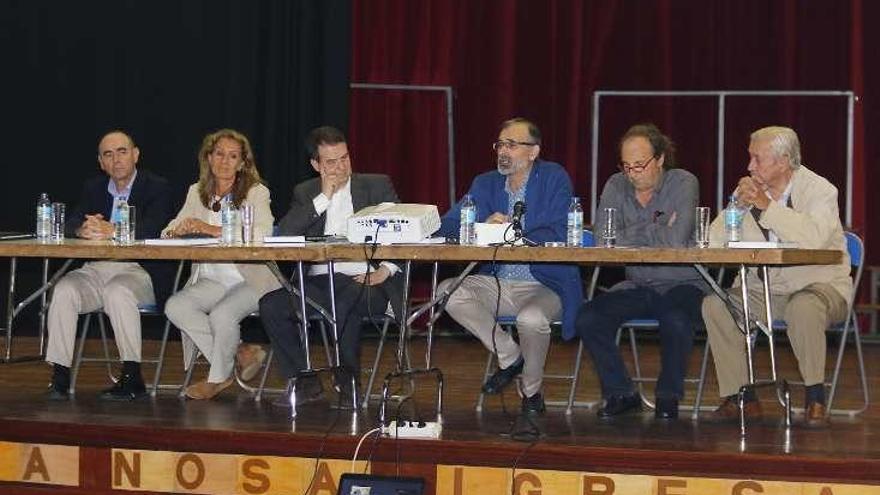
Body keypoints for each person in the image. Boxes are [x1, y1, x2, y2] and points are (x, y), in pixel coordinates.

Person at [702, 126, 852, 426]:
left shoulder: (820, 190)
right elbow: (713, 242)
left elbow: (814, 239)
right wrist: (737, 206)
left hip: (819, 288)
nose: (749, 167)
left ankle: (815, 396)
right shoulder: (747, 192)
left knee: (803, 307)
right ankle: (741, 397)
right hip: (764, 292)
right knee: (716, 305)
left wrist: (767, 207)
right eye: (750, 159)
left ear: (783, 161)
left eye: (757, 159)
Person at [436, 117, 582, 416]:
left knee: (530, 319)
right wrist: (478, 227)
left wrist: (512, 233)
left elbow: (560, 229)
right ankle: (510, 355)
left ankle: (531, 391)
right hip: (497, 281)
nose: (503, 151)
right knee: (446, 291)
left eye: (512, 145)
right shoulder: (485, 182)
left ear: (533, 151)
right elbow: (447, 226)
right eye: (500, 144)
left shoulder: (554, 177)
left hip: (544, 282)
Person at [258, 126, 404, 409]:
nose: (341, 167)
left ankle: (349, 385)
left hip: (368, 281)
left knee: (344, 299)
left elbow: (406, 230)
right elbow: (285, 234)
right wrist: (323, 198)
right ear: (316, 165)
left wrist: (385, 270)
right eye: (331, 162)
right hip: (320, 283)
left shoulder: (376, 186)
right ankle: (304, 380)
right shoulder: (306, 192)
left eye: (345, 158)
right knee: (271, 305)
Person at [576, 123, 707, 420]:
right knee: (588, 317)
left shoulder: (683, 182)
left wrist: (629, 233)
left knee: (676, 319)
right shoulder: (615, 185)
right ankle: (621, 392)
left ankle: (667, 396)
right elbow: (603, 240)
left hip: (682, 283)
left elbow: (675, 241)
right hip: (639, 284)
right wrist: (658, 226)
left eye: (640, 165)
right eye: (627, 166)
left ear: (660, 159)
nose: (633, 173)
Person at [46, 130, 174, 401]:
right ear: (101, 163)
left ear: (136, 155)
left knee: (117, 292)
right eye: (108, 154)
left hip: (139, 270)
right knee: (64, 289)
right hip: (96, 269)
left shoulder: (156, 186)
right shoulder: (93, 187)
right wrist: (82, 229)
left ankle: (132, 377)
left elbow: (155, 227)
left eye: (122, 152)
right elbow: (70, 222)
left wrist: (111, 229)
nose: (116, 160)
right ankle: (60, 375)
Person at [162, 129, 277, 400]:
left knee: (222, 315)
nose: (225, 161)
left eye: (233, 156)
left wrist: (211, 230)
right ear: (209, 158)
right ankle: (239, 351)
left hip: (249, 279)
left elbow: (264, 232)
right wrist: (176, 231)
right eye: (219, 154)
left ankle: (218, 378)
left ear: (242, 163)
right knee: (175, 306)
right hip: (211, 279)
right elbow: (169, 228)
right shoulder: (197, 191)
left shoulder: (256, 192)